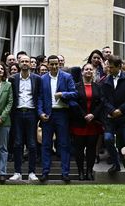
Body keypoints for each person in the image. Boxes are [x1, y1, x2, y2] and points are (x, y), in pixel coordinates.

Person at [38, 55, 76, 183]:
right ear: (47, 65)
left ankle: (65, 173)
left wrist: (62, 94)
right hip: (48, 114)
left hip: (62, 113)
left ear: (59, 64)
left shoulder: (66, 77)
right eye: (52, 64)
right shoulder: (42, 79)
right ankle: (45, 172)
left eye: (56, 64)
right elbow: (39, 98)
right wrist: (40, 112)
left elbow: (74, 93)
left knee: (64, 144)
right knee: (46, 144)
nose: (54, 66)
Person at [101, 55, 125, 183]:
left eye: (111, 67)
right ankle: (116, 163)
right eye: (108, 67)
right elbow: (103, 99)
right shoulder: (106, 80)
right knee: (108, 139)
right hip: (110, 117)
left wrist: (120, 110)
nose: (109, 69)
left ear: (119, 67)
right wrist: (112, 110)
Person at [8, 55, 41, 182]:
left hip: (32, 113)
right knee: (17, 143)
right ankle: (17, 172)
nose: (25, 63)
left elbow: (39, 96)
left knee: (32, 144)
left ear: (31, 64)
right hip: (17, 113)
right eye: (22, 61)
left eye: (27, 61)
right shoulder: (13, 79)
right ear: (18, 64)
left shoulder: (37, 79)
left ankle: (32, 172)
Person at [69, 63, 104, 181]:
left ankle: (89, 171)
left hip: (93, 123)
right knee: (79, 149)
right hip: (79, 121)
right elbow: (74, 103)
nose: (89, 71)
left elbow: (101, 103)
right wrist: (84, 115)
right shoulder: (76, 86)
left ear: (93, 72)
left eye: (91, 69)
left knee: (91, 149)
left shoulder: (98, 87)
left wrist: (93, 115)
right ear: (82, 72)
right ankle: (80, 172)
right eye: (86, 69)